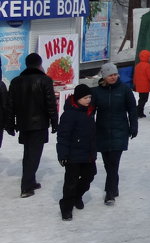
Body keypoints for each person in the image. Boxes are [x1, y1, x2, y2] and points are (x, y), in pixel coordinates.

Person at [7, 52, 58, 198]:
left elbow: (10, 105)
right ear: (39, 64)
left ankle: (31, 180)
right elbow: (50, 104)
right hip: (39, 124)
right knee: (34, 155)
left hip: (23, 124)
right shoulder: (44, 80)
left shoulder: (16, 81)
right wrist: (55, 122)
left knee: (28, 153)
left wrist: (10, 124)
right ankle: (26, 186)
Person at [91, 62, 137, 206]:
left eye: (115, 74)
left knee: (113, 163)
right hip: (102, 131)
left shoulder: (124, 90)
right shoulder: (97, 92)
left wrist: (134, 125)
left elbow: (132, 109)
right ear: (104, 76)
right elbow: (90, 112)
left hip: (120, 130)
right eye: (110, 75)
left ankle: (110, 193)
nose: (113, 77)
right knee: (107, 163)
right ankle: (113, 187)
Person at [56, 84, 98, 220]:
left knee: (89, 175)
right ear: (78, 98)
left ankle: (77, 196)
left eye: (90, 97)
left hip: (88, 153)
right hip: (73, 155)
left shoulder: (89, 111)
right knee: (71, 182)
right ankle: (66, 208)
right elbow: (63, 136)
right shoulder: (69, 114)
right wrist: (62, 154)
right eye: (85, 98)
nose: (88, 100)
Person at [133, 49, 150, 117]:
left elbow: (135, 76)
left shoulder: (137, 65)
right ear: (147, 57)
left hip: (139, 85)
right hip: (145, 86)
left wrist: (135, 84)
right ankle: (138, 112)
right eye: (149, 56)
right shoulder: (148, 65)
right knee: (144, 99)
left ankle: (139, 111)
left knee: (141, 99)